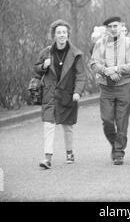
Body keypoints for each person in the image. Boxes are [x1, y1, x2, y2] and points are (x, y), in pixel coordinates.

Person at [34, 19, 86, 169]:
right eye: (58, 33)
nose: (61, 35)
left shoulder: (76, 54)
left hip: (68, 94)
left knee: (67, 126)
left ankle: (69, 152)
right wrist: (44, 65)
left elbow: (81, 75)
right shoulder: (46, 52)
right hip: (49, 94)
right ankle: (47, 158)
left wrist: (77, 92)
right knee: (48, 125)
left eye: (64, 32)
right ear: (54, 35)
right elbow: (36, 69)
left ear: (68, 34)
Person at [90, 16, 130, 165]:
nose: (113, 29)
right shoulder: (100, 43)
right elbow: (93, 63)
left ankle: (118, 152)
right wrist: (106, 71)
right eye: (110, 26)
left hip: (124, 86)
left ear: (120, 26)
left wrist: (117, 69)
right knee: (107, 120)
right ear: (106, 29)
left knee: (122, 121)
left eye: (115, 26)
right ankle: (115, 143)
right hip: (106, 87)